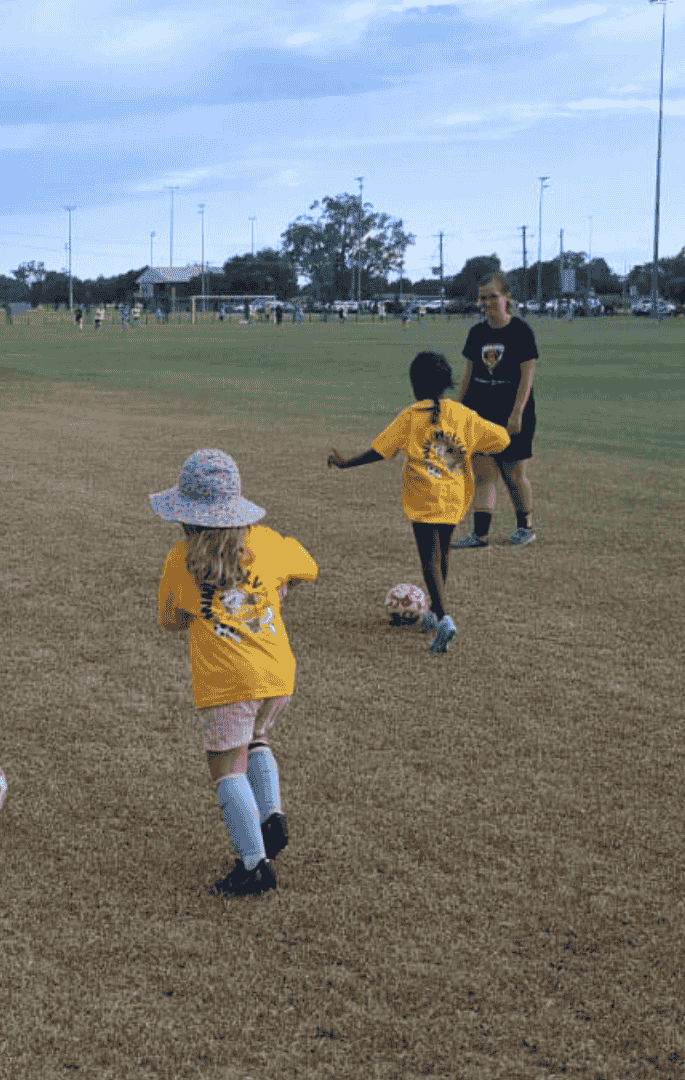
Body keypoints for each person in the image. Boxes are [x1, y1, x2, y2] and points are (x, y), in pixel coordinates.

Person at [152, 449, 318, 896]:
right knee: (257, 739)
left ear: (185, 516)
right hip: (277, 675)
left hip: (228, 685)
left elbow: (170, 620)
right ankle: (271, 817)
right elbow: (309, 566)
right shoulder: (266, 542)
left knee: (225, 765)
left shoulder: (180, 561)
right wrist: (283, 585)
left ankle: (254, 865)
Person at [328, 352, 509, 654]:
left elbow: (381, 451)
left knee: (429, 560)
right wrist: (472, 446)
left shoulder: (411, 416)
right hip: (453, 495)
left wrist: (345, 463)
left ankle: (443, 618)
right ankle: (433, 613)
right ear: (447, 384)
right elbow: (501, 439)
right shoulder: (463, 415)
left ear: (414, 385)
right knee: (442, 557)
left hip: (423, 495)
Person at [450, 272, 540, 549]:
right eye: (483, 298)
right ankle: (480, 535)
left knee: (513, 474)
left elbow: (527, 376)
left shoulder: (520, 331)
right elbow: (468, 374)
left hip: (511, 413)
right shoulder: (477, 333)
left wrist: (517, 413)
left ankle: (525, 528)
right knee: (483, 474)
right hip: (480, 413)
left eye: (493, 297)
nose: (487, 302)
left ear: (506, 298)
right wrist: (457, 409)